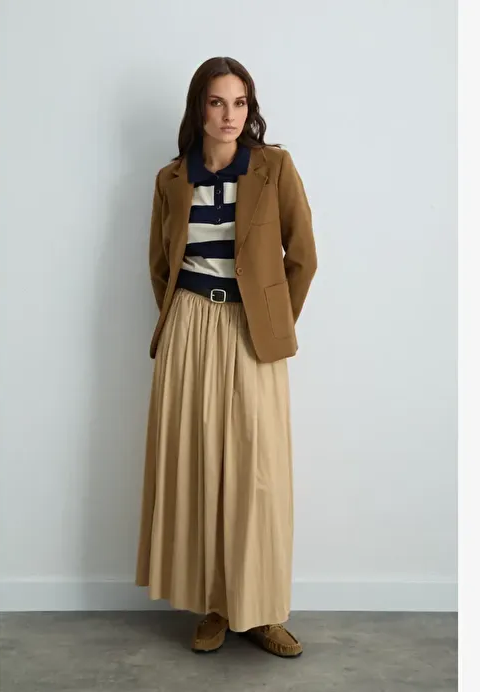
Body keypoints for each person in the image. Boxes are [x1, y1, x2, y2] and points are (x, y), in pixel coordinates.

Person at [135, 56, 317, 658]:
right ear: (199, 109)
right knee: (200, 466)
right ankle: (214, 605)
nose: (229, 115)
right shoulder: (171, 178)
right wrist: (183, 320)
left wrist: (272, 322)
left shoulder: (274, 168)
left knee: (257, 472)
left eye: (239, 103)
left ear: (250, 108)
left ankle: (261, 610)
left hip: (252, 331)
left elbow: (303, 256)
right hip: (189, 324)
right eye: (217, 102)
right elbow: (160, 265)